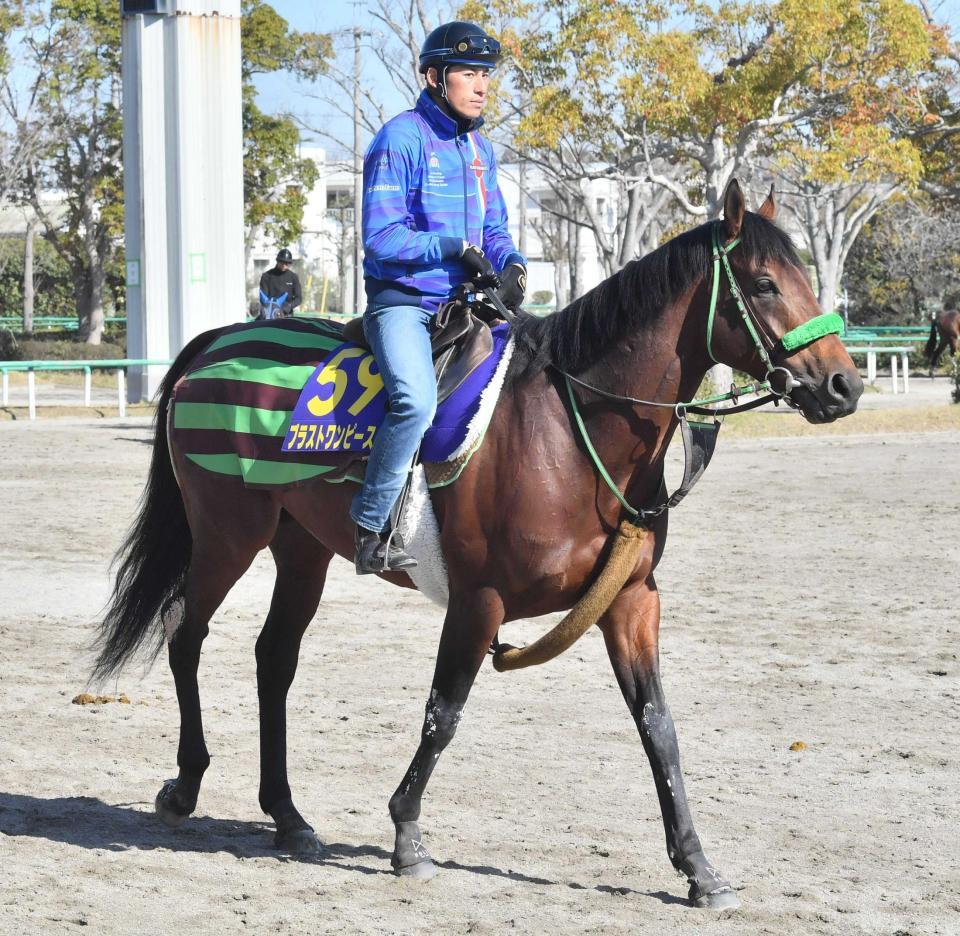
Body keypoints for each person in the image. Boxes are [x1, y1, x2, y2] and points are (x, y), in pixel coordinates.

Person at [352, 20, 527, 574]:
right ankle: (371, 528)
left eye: (485, 75)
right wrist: (453, 246)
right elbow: (382, 237)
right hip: (403, 303)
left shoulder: (480, 149)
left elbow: (494, 230)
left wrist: (511, 263)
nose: (481, 86)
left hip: (467, 305)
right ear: (434, 77)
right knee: (416, 402)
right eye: (469, 74)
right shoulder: (398, 138)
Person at [258, 248, 302, 318]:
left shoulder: (293, 277)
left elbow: (298, 298)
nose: (284, 265)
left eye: (287, 263)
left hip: (287, 316)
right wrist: (274, 307)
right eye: (282, 262)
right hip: (270, 315)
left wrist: (288, 306)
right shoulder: (266, 276)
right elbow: (263, 298)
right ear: (277, 261)